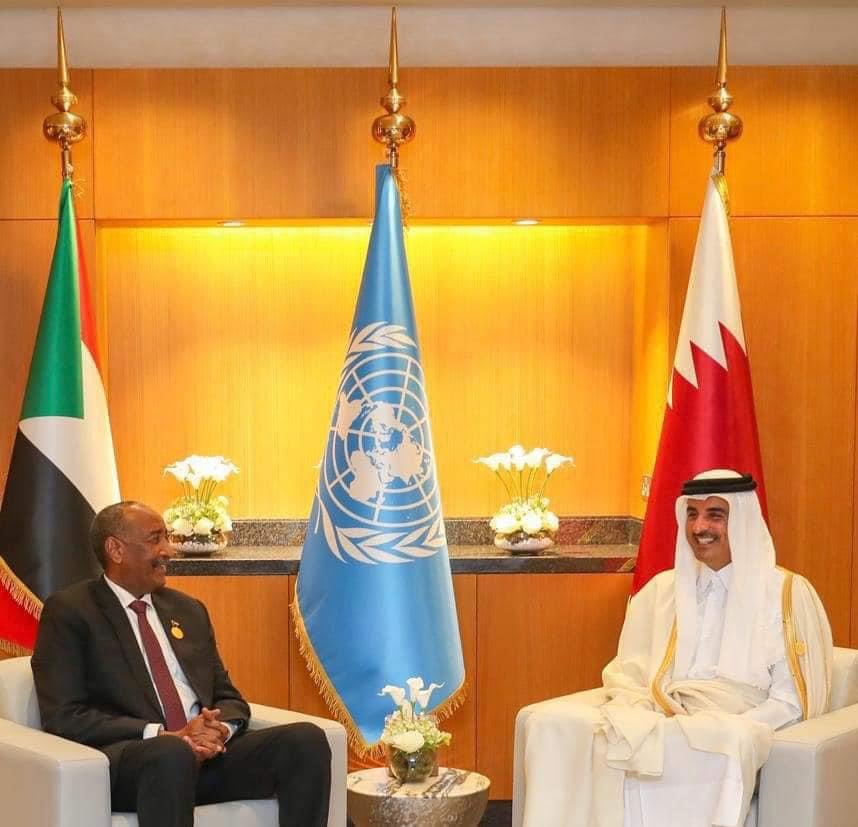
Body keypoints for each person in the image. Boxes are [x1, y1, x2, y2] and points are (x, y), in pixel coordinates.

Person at [520, 469, 833, 827]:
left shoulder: (786, 594)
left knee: (714, 741)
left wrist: (731, 726)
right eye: (692, 514)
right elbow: (627, 674)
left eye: (715, 515)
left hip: (733, 726)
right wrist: (641, 709)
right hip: (661, 713)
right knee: (552, 724)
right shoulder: (661, 590)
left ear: (743, 521)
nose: (700, 527)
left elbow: (792, 702)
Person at [31, 500, 332, 827]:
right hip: (134, 764)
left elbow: (227, 696)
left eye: (167, 538)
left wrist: (218, 730)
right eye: (155, 539)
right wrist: (162, 734)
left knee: (306, 741)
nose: (168, 550)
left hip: (207, 761)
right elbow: (65, 716)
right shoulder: (71, 612)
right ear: (116, 549)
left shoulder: (188, 610)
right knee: (170, 753)